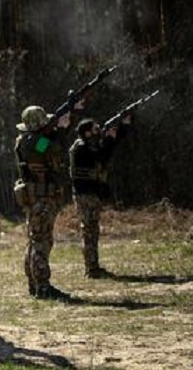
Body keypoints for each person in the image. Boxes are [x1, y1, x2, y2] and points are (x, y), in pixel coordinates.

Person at [13, 103, 81, 301]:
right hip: (41, 198)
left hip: (36, 197)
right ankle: (42, 285)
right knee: (41, 242)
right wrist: (60, 129)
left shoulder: (28, 140)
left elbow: (51, 144)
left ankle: (35, 283)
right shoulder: (33, 142)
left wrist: (65, 123)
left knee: (36, 240)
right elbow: (54, 149)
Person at [69, 116, 131, 278]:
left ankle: (93, 266)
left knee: (92, 230)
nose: (99, 131)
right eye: (96, 129)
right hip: (86, 195)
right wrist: (110, 138)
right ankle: (92, 268)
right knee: (89, 230)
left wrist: (121, 128)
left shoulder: (88, 146)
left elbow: (108, 149)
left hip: (89, 193)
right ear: (87, 133)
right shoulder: (82, 148)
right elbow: (102, 155)